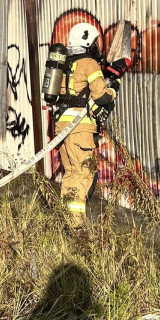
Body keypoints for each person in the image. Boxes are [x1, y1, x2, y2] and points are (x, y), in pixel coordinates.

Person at [55, 24, 129, 227]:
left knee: (70, 173)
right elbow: (102, 96)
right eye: (95, 41)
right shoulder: (88, 63)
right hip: (80, 128)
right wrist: (114, 86)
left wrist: (108, 73)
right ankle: (75, 226)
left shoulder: (65, 63)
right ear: (88, 41)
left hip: (62, 126)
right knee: (83, 173)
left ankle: (68, 220)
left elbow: (77, 90)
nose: (97, 46)